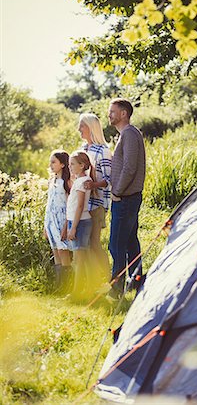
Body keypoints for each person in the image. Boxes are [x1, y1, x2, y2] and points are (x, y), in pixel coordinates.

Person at [108, 98, 146, 297]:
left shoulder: (130, 134)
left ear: (124, 113)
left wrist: (117, 191)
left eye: (112, 111)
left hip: (125, 198)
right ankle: (137, 282)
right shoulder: (127, 135)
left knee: (116, 244)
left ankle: (116, 289)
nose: (109, 115)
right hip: (128, 197)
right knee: (130, 242)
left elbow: (130, 167)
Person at [78, 113, 112, 286]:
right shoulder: (83, 149)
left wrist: (94, 185)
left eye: (82, 126)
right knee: (84, 244)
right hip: (81, 205)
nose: (79, 129)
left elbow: (109, 179)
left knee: (94, 243)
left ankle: (108, 279)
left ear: (91, 128)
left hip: (97, 204)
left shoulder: (103, 150)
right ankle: (92, 282)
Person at [44, 150, 72, 293]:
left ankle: (67, 287)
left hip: (61, 221)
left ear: (62, 164)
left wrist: (66, 227)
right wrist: (45, 226)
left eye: (53, 162)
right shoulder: (52, 181)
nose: (51, 165)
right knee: (55, 252)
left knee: (63, 252)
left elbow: (69, 206)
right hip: (51, 221)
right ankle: (59, 286)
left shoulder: (66, 182)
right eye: (50, 162)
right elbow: (49, 204)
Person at [67, 151, 93, 299]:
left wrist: (74, 227)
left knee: (79, 260)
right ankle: (85, 290)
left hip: (80, 223)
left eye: (72, 164)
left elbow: (80, 206)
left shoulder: (83, 181)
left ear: (82, 165)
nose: (70, 167)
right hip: (77, 221)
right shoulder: (79, 180)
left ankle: (77, 293)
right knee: (81, 259)